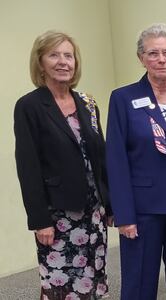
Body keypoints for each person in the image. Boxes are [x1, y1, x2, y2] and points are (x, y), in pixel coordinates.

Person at [105, 23, 166, 300]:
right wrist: (124, 215)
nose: (161, 59)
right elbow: (116, 159)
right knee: (139, 284)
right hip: (142, 210)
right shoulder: (123, 98)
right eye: (153, 53)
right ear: (141, 58)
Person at [14, 30, 113, 300]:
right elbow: (28, 166)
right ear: (40, 62)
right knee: (61, 284)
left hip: (94, 212)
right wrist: (39, 220)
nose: (63, 61)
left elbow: (101, 157)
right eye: (54, 55)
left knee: (94, 278)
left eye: (68, 55)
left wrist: (110, 204)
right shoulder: (29, 106)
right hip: (58, 215)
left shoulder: (88, 103)